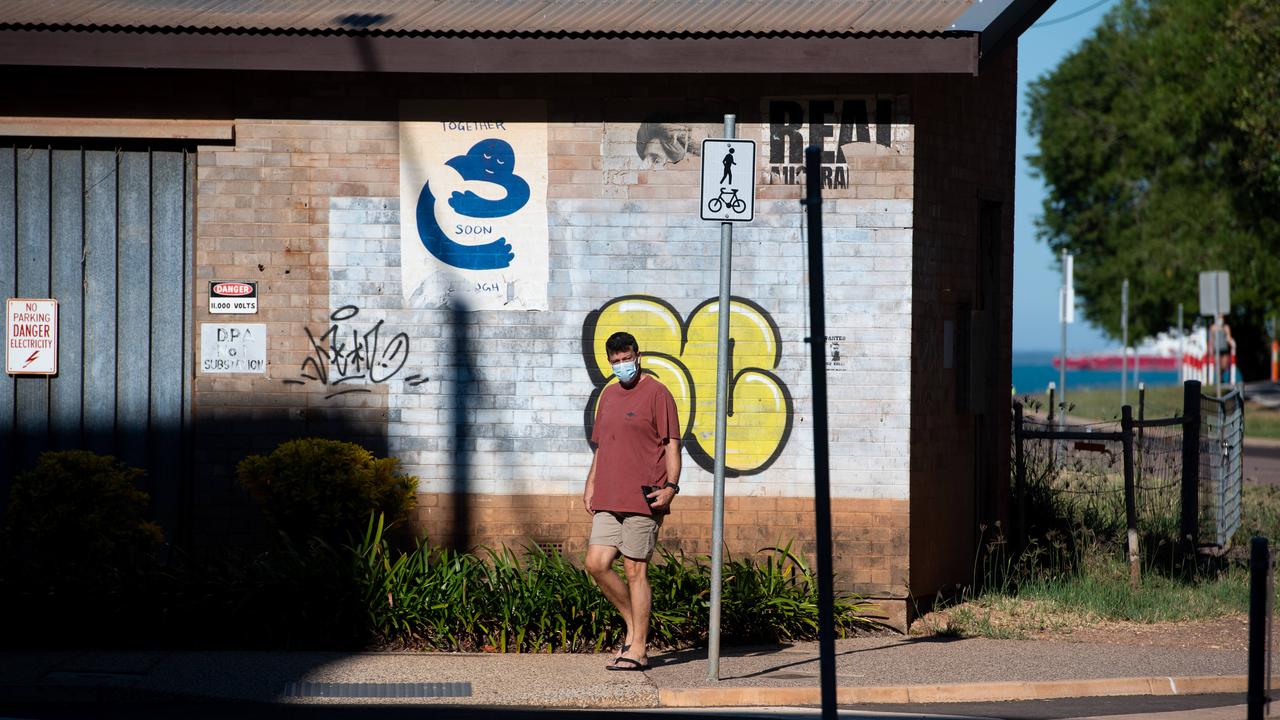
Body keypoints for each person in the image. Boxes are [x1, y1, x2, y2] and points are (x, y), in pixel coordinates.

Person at [583, 331, 681, 671]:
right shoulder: (608, 396)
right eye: (615, 362)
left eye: (626, 359)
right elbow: (602, 446)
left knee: (634, 569)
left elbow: (672, 444)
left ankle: (638, 648)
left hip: (645, 494)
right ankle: (633, 624)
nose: (622, 366)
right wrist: (591, 483)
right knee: (596, 563)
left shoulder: (658, 393)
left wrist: (671, 487)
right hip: (609, 493)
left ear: (637, 355)